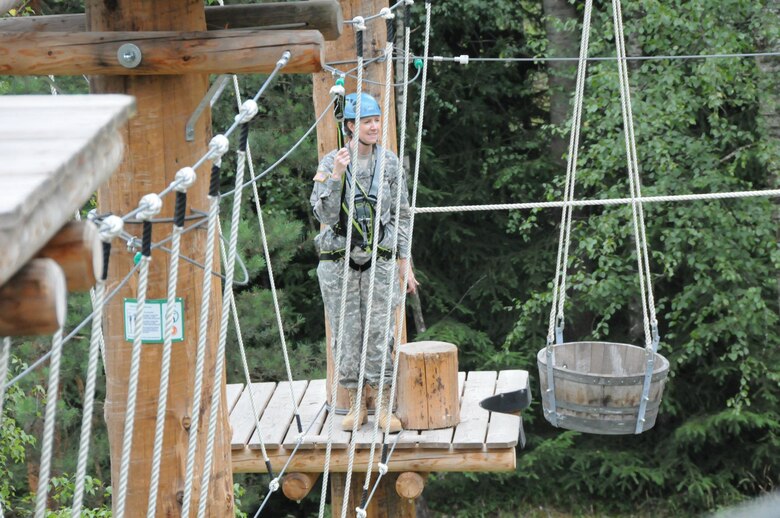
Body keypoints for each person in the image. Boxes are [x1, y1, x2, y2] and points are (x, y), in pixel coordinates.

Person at [311, 92, 418, 432]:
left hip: (380, 260)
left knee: (380, 331)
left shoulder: (389, 164)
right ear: (350, 126)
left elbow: (400, 216)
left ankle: (384, 406)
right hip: (340, 262)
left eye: (376, 121)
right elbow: (324, 213)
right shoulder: (331, 163)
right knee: (346, 332)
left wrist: (405, 262)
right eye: (366, 122)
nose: (374, 127)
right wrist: (338, 175)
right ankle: (356, 405)